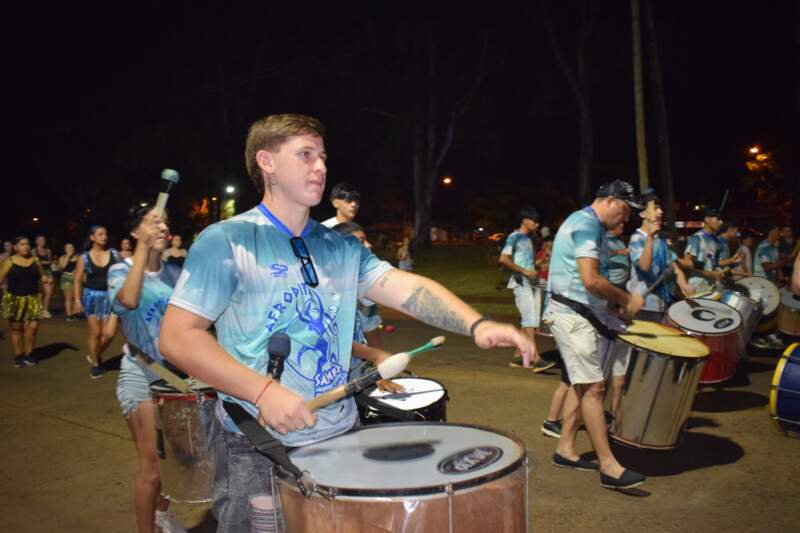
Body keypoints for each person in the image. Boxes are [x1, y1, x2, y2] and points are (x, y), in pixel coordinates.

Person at [158, 113, 532, 532]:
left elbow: (402, 287)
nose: (320, 167)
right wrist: (262, 391)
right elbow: (177, 337)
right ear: (266, 162)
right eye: (305, 155)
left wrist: (476, 324)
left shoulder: (338, 245)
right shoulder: (228, 240)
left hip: (338, 432)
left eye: (322, 157)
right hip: (256, 443)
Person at [544, 179, 646, 489]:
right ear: (612, 201)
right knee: (594, 390)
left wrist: (609, 307)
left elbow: (585, 282)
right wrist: (626, 299)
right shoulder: (587, 225)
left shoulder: (590, 225)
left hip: (581, 314)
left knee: (582, 384)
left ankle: (565, 448)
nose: (627, 219)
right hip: (572, 317)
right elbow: (590, 280)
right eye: (627, 211)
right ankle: (609, 467)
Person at [108, 206, 186, 533]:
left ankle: (162, 517)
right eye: (153, 222)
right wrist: (142, 251)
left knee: (171, 466)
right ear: (135, 233)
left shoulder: (174, 273)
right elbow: (128, 299)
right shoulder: (119, 270)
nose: (163, 226)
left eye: (165, 221)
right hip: (141, 376)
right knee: (151, 467)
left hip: (174, 380)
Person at [332, 221, 404, 393]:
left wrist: (378, 370)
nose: (369, 245)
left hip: (353, 378)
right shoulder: (327, 291)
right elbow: (332, 341)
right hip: (324, 383)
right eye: (361, 241)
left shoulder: (364, 287)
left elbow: (371, 332)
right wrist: (377, 356)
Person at [499, 207, 554, 372]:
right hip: (521, 282)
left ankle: (518, 357)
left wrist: (538, 265)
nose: (536, 224)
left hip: (532, 282)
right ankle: (536, 358)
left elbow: (526, 263)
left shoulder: (527, 239)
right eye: (534, 221)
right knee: (530, 320)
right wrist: (524, 271)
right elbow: (503, 259)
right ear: (525, 220)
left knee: (530, 321)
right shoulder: (514, 237)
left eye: (538, 222)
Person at [627, 192, 694, 322]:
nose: (661, 212)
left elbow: (675, 268)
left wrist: (682, 282)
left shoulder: (660, 239)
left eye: (660, 208)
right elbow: (644, 266)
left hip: (662, 304)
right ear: (642, 214)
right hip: (644, 305)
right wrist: (650, 237)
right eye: (655, 208)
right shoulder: (636, 238)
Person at [74, 225, 121, 379]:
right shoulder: (85, 257)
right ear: (92, 237)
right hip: (92, 296)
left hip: (111, 296)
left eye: (106, 234)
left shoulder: (114, 254)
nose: (104, 236)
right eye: (100, 234)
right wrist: (77, 300)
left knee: (109, 333)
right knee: (95, 333)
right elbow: (78, 279)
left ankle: (95, 354)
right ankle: (95, 364)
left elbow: (123, 273)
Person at [0, 236, 51, 367]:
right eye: (22, 244)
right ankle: (18, 356)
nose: (26, 246)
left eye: (27, 244)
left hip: (33, 299)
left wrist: (47, 279)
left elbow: (42, 276)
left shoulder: (35, 260)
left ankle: (29, 354)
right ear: (15, 247)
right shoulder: (9, 261)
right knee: (17, 329)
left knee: (32, 328)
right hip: (14, 300)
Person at [681, 208, 727, 290]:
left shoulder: (715, 240)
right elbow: (686, 263)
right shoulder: (696, 238)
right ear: (707, 219)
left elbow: (714, 263)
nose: (721, 222)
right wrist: (708, 273)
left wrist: (719, 272)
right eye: (718, 219)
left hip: (712, 286)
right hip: (697, 286)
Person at [34, 235, 55, 318]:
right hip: (37, 272)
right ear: (36, 241)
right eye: (40, 240)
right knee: (38, 293)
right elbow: (35, 262)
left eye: (43, 240)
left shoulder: (48, 250)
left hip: (47, 272)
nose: (42, 241)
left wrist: (51, 274)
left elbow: (49, 262)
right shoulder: (33, 251)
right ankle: (38, 310)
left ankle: (45, 310)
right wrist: (43, 262)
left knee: (49, 292)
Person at [57, 243, 79, 321]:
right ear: (65, 249)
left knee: (75, 297)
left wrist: (76, 271)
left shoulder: (78, 257)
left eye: (71, 247)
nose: (70, 249)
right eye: (67, 248)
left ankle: (74, 314)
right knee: (68, 298)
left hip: (75, 279)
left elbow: (80, 267)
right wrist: (68, 256)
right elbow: (62, 267)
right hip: (66, 278)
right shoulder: (62, 258)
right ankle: (69, 315)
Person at [606, 225, 630, 291]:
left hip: (623, 280)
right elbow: (599, 255)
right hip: (612, 282)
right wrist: (617, 252)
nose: (622, 225)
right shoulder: (604, 239)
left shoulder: (618, 240)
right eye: (619, 223)